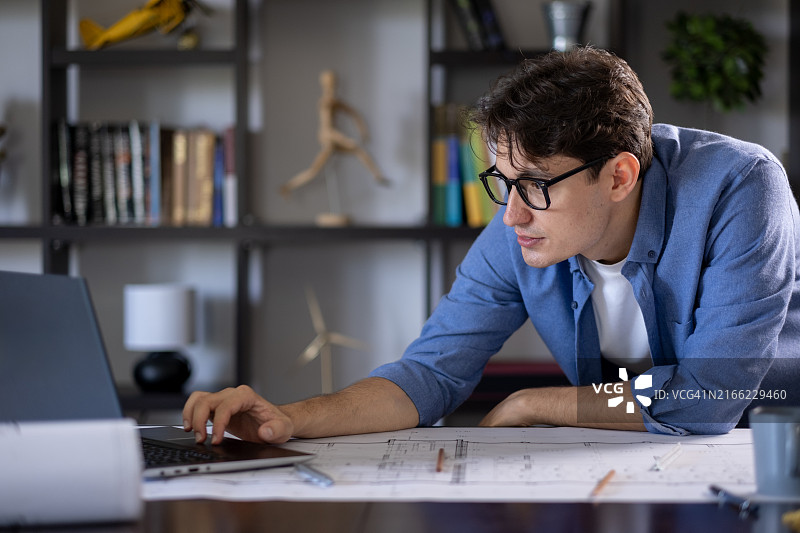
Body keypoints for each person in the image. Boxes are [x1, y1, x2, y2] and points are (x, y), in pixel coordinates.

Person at [184, 47, 800, 445]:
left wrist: (538, 403)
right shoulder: (522, 227)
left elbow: (709, 398)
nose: (511, 215)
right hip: (623, 453)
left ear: (619, 176)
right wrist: (289, 418)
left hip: (766, 452)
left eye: (535, 186)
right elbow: (428, 373)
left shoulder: (740, 187)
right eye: (503, 182)